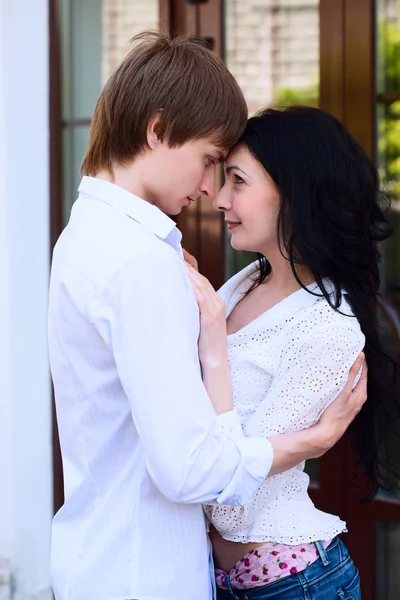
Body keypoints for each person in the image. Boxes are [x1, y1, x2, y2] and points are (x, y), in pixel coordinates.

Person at [48, 33, 366, 600]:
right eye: (211, 161)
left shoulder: (90, 236)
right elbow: (191, 471)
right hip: (144, 571)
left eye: (231, 175)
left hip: (215, 569)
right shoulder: (144, 261)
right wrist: (308, 444)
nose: (209, 189)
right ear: (156, 129)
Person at [185, 106, 400, 600]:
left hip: (296, 583)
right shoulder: (245, 283)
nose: (219, 199)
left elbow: (229, 504)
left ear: (294, 190)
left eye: (237, 181)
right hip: (221, 578)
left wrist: (214, 347)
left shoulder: (329, 326)